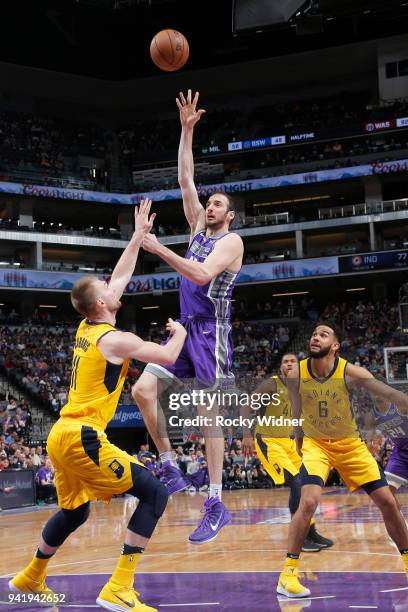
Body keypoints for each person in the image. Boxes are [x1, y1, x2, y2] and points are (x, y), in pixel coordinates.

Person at [9, 199, 187, 612]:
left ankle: (30, 577)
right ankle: (118, 588)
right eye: (107, 289)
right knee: (155, 493)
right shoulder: (114, 340)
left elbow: (121, 275)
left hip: (61, 437)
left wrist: (137, 238)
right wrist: (180, 331)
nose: (113, 287)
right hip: (83, 437)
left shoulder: (89, 325)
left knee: (76, 514)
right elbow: (166, 356)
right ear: (102, 303)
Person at [133, 90, 244, 545]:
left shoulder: (232, 243)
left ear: (230, 215)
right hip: (185, 326)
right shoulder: (198, 225)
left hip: (212, 333)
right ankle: (172, 466)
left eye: (218, 204)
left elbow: (199, 274)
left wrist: (158, 248)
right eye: (209, 202)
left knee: (208, 410)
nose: (210, 206)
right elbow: (185, 178)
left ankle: (215, 502)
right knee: (142, 389)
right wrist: (185, 130)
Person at [277, 322, 408, 598]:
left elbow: (390, 395)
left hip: (350, 444)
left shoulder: (353, 373)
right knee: (309, 501)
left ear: (335, 345)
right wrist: (300, 442)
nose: (315, 337)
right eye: (313, 333)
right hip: (316, 445)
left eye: (323, 334)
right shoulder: (295, 374)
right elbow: (296, 411)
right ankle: (287, 575)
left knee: (387, 501)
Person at [243, 353, 333, 552]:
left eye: (293, 361)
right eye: (285, 361)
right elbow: (246, 405)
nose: (289, 364)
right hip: (268, 441)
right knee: (297, 483)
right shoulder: (272, 384)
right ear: (282, 367)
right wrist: (246, 434)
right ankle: (299, 538)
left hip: (289, 442)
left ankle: (310, 532)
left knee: (308, 484)